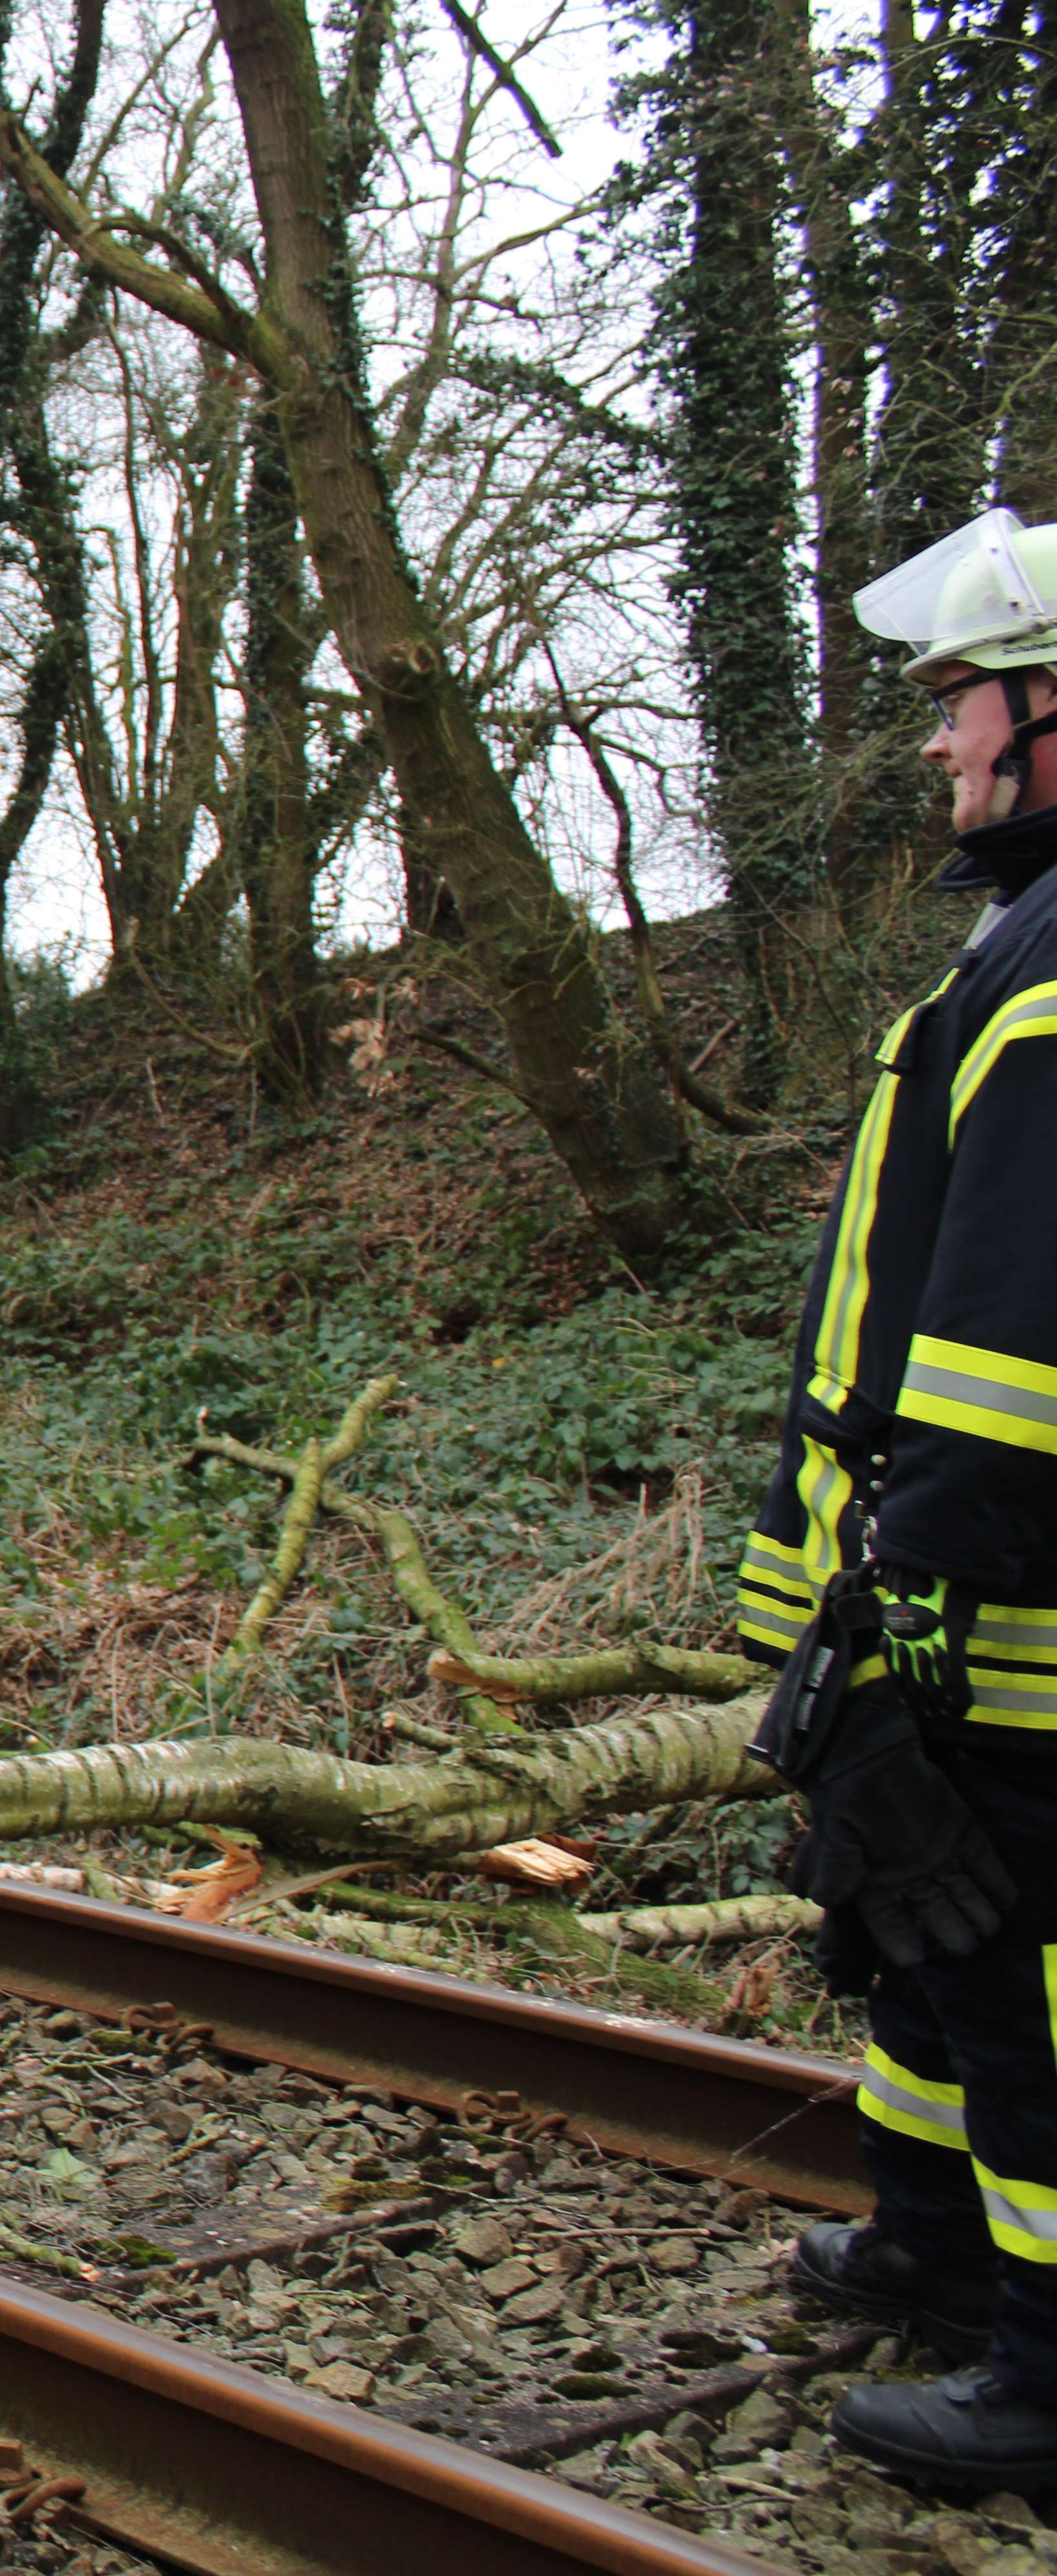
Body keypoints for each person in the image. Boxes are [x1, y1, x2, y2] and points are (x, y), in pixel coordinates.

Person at [745, 504, 1057, 2490]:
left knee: (1019, 1967)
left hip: (1000, 1604)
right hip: (946, 1588)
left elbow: (1002, 1346)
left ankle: (1039, 2377)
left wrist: (910, 1596)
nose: (937, 745)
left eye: (957, 704)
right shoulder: (1013, 946)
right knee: (925, 1939)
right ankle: (934, 2252)